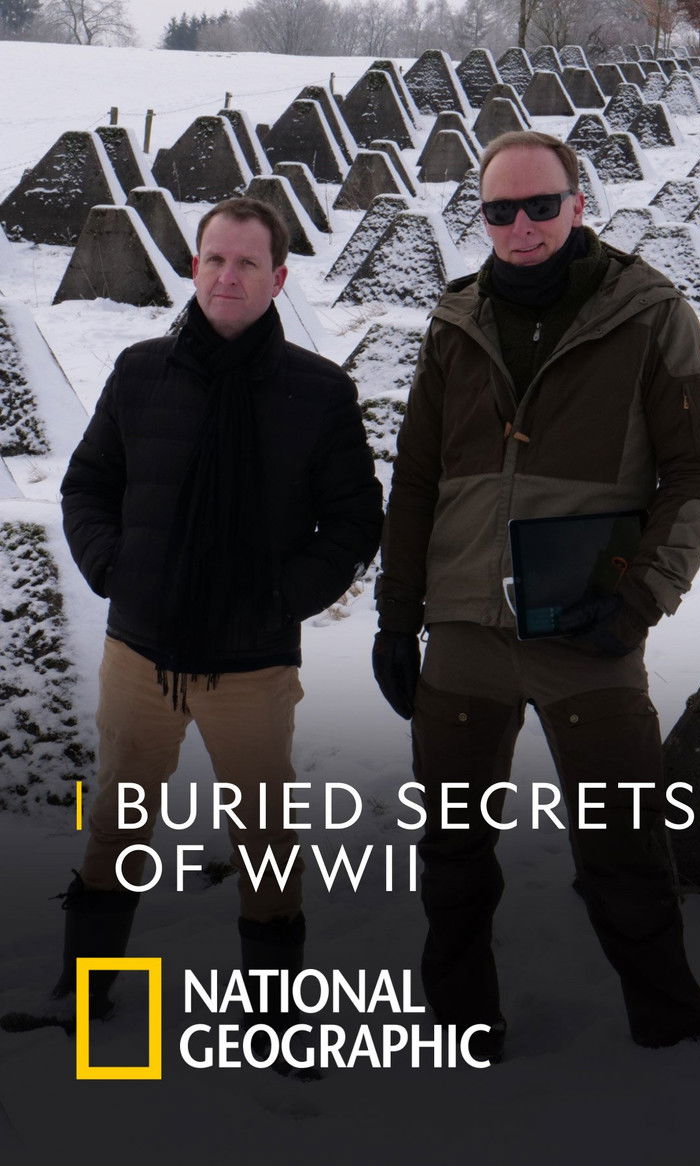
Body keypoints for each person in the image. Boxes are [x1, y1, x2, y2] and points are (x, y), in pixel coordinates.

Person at [372, 131, 700, 1062]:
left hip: (587, 627)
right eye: (501, 211)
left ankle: (673, 1036)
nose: (523, 226)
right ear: (482, 218)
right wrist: (397, 614)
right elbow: (417, 477)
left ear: (579, 204)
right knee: (451, 850)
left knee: (624, 847)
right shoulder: (456, 321)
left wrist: (639, 598)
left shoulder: (649, 312)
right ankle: (461, 1025)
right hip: (465, 627)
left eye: (542, 205)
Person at [50, 197, 383, 1057]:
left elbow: (354, 521)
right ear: (194, 266)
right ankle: (82, 994)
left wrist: (278, 600)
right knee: (116, 822)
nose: (226, 277)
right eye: (213, 260)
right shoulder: (139, 372)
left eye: (246, 263)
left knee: (266, 837)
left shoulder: (318, 391)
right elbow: (88, 486)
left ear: (279, 277)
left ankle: (272, 1016)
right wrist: (117, 571)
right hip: (140, 654)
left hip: (252, 664)